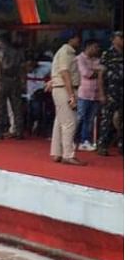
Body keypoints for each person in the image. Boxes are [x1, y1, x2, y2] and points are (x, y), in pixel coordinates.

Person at [49, 32, 84, 164]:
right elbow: (65, 72)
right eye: (77, 38)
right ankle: (68, 154)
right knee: (69, 122)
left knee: (60, 122)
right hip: (65, 89)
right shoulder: (67, 52)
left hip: (61, 88)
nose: (78, 41)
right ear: (71, 39)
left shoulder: (62, 51)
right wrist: (71, 95)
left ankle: (57, 152)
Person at [0, 33, 28, 139]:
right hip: (16, 80)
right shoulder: (18, 52)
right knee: (17, 107)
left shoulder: (3, 53)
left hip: (5, 80)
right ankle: (19, 130)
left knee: (1, 106)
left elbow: (5, 67)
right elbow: (22, 66)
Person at [97, 31, 123, 155]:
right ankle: (103, 145)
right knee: (107, 119)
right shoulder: (107, 54)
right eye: (121, 37)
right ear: (113, 39)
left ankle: (123, 145)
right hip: (111, 90)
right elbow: (101, 75)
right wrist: (101, 93)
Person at [75, 39, 104, 151]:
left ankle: (84, 141)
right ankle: (72, 140)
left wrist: (97, 71)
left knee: (90, 119)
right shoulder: (79, 59)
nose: (98, 49)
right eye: (95, 47)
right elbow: (87, 73)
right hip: (83, 93)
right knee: (79, 117)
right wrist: (99, 71)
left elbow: (104, 71)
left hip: (95, 94)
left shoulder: (98, 59)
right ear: (89, 47)